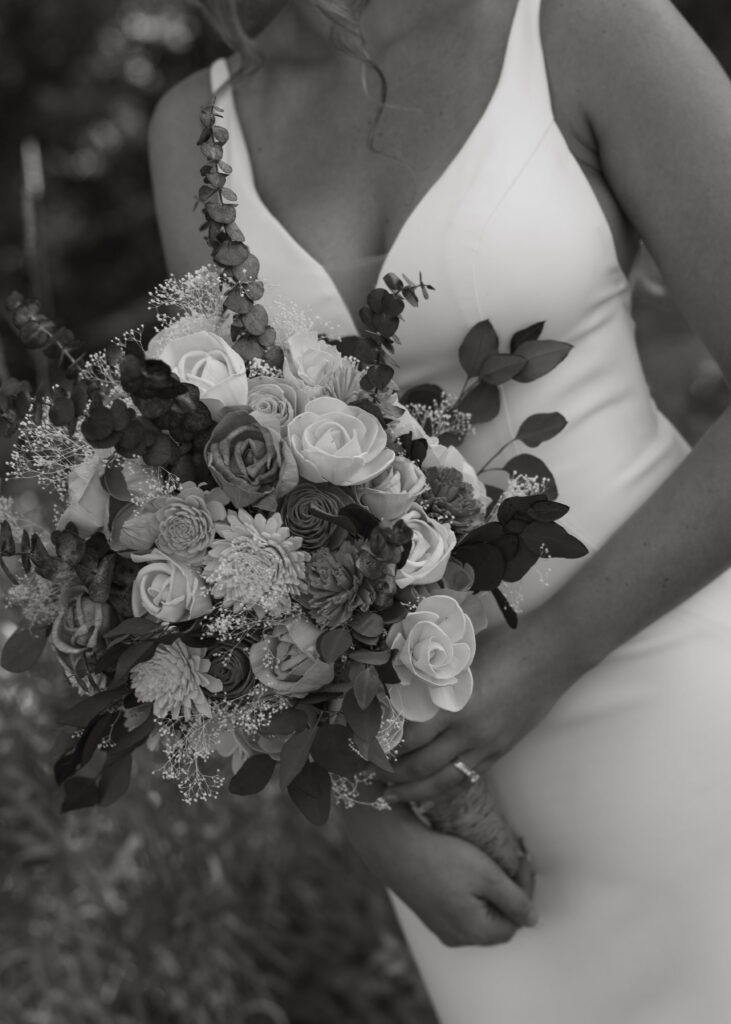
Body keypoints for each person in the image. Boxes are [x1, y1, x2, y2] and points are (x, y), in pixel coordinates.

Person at [148, 1, 731, 1020]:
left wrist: (539, 662)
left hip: (674, 699)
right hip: (444, 800)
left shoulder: (586, 29)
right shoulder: (190, 127)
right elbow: (240, 516)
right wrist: (359, 813)